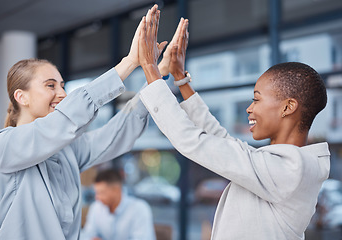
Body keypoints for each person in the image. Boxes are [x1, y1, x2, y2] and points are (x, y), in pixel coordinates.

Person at [137, 6, 330, 240]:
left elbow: (193, 142)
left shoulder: (290, 170)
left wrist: (150, 69)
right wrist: (181, 79)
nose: (249, 108)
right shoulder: (279, 164)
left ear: (288, 107)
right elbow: (222, 141)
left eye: (256, 99)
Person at [0, 6, 169, 240]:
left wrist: (156, 75)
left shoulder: (66, 150)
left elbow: (115, 134)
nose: (62, 93)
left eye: (62, 85)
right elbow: (61, 124)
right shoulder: (0, 147)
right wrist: (130, 62)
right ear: (22, 97)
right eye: (50, 86)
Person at [81, 169, 155, 240]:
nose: (97, 197)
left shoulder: (139, 209)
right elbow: (87, 235)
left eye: (102, 193)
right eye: (96, 192)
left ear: (116, 190)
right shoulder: (96, 207)